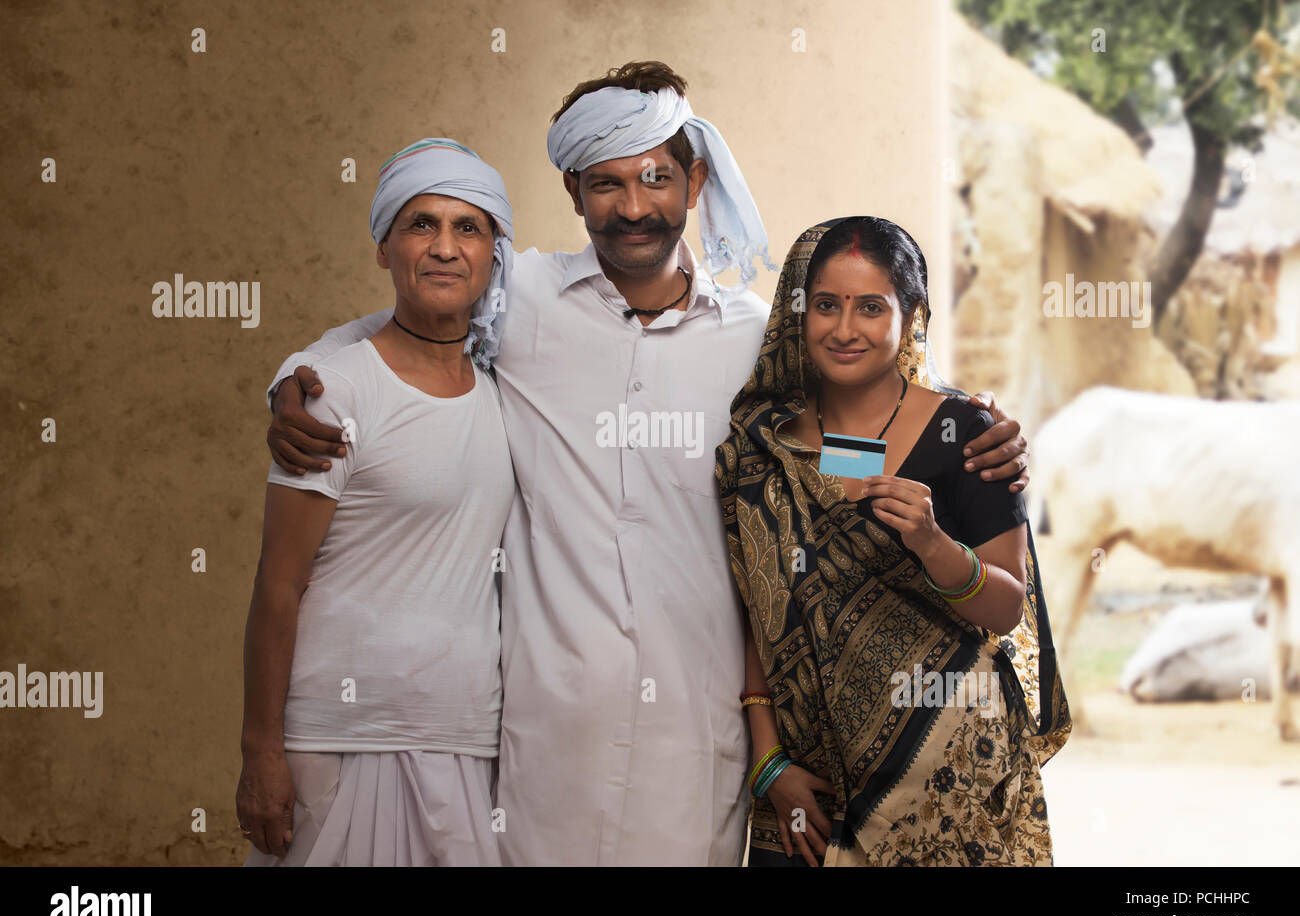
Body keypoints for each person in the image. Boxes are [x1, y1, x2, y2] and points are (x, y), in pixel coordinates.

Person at [264, 63, 1033, 866]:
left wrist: (966, 430)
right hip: (542, 733)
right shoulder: (520, 298)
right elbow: (411, 318)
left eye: (656, 178)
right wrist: (297, 378)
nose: (633, 206)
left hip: (697, 734)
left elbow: (848, 428)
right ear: (572, 190)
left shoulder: (750, 342)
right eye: (607, 182)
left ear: (695, 182)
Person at [716, 216, 1072, 867]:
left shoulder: (965, 432)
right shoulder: (764, 450)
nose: (845, 329)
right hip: (807, 793)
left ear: (910, 317)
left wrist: (934, 543)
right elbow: (755, 617)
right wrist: (768, 765)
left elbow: (1005, 606)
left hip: (947, 781)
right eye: (826, 305)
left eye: (871, 308)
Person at [236, 138, 516, 866]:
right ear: (385, 247)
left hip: (464, 736)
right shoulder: (335, 393)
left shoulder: (503, 389)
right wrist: (261, 750)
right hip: (339, 736)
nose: (445, 248)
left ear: (494, 253)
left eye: (468, 228)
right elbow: (278, 583)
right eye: (421, 224)